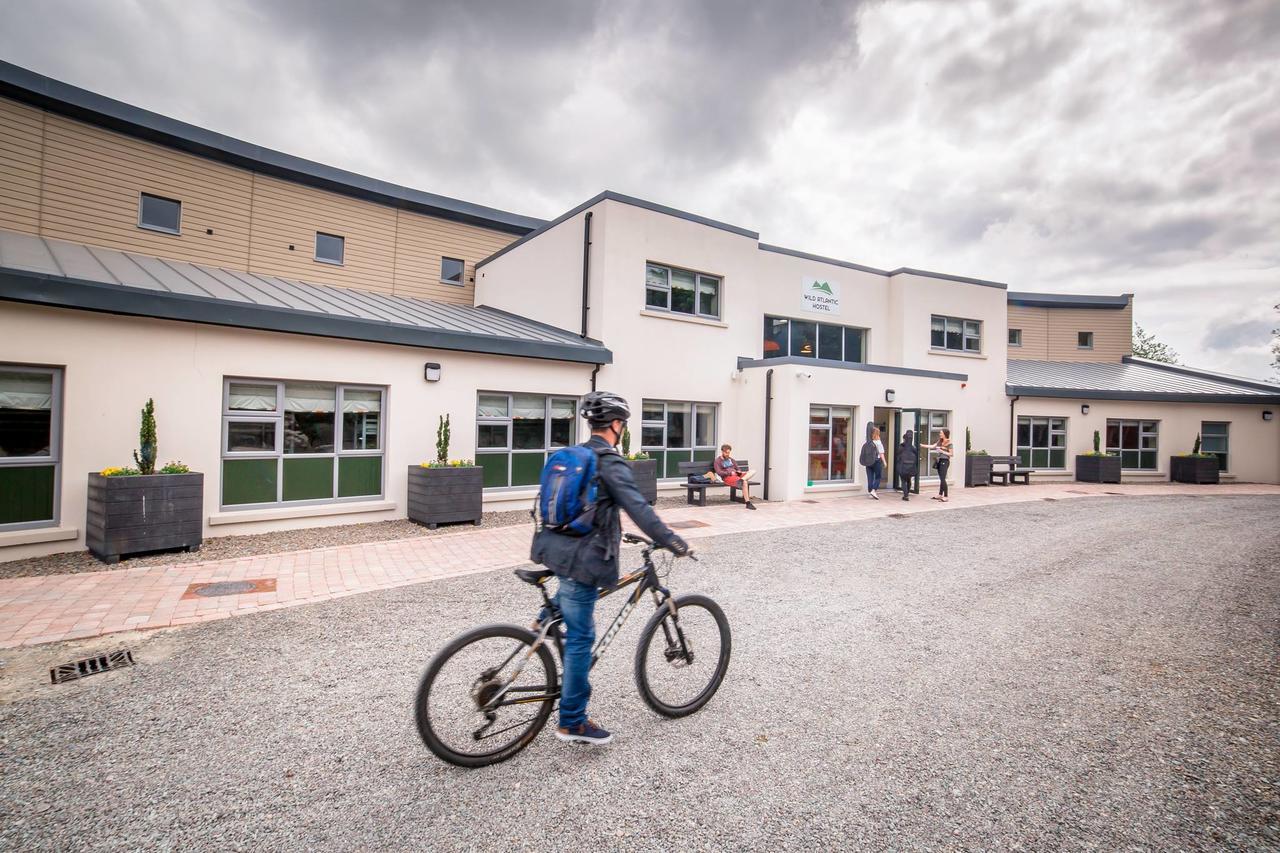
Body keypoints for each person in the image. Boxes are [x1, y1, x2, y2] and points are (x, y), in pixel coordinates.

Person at [530, 391, 691, 746]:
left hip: (553, 548)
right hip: (581, 559)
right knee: (581, 639)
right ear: (617, 425)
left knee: (570, 598)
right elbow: (639, 507)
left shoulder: (576, 454)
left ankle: (547, 616)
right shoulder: (609, 461)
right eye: (623, 424)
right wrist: (672, 540)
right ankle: (572, 721)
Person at [710, 444, 757, 510]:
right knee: (744, 483)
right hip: (728, 477)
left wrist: (739, 471)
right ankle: (748, 503)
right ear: (722, 452)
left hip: (737, 475)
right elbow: (719, 472)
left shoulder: (731, 460)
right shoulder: (718, 461)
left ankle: (741, 480)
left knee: (753, 471)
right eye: (726, 453)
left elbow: (737, 468)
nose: (727, 454)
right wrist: (730, 473)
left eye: (729, 453)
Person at [922, 428, 954, 502]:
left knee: (943, 479)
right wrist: (922, 445)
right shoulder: (940, 441)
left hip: (945, 461)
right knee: (941, 479)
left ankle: (945, 496)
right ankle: (940, 495)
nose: (940, 434)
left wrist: (942, 451)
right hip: (939, 461)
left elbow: (951, 454)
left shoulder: (949, 443)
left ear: (945, 434)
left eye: (941, 433)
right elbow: (932, 446)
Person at [858, 426, 886, 500]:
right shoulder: (878, 442)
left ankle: (870, 492)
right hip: (877, 462)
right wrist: (884, 462)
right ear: (877, 434)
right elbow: (881, 453)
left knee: (870, 477)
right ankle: (873, 490)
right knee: (878, 477)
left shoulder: (867, 442)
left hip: (868, 462)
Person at [895, 429, 919, 501]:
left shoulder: (901, 446)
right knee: (908, 480)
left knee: (903, 481)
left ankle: (906, 496)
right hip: (911, 467)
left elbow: (898, 455)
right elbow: (916, 457)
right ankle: (907, 493)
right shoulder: (913, 448)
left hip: (902, 467)